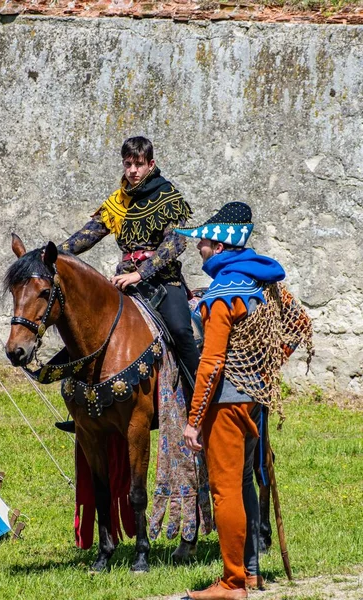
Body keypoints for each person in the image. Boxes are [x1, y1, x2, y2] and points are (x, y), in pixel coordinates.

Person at [175, 202, 312, 600]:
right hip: (253, 397)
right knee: (243, 485)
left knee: (225, 490)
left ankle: (232, 583)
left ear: (218, 247)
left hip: (226, 403)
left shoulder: (223, 293)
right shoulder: (261, 280)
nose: (198, 247)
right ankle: (250, 573)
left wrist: (192, 419)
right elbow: (299, 324)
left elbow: (212, 362)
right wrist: (264, 364)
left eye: (202, 241)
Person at [55, 136, 200, 431]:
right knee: (85, 326)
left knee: (182, 331)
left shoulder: (168, 197)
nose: (133, 170)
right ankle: (84, 406)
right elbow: (89, 234)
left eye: (138, 164)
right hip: (123, 281)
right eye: (128, 164)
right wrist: (53, 254)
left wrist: (140, 273)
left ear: (151, 164)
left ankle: (198, 403)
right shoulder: (117, 200)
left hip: (163, 281)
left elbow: (175, 245)